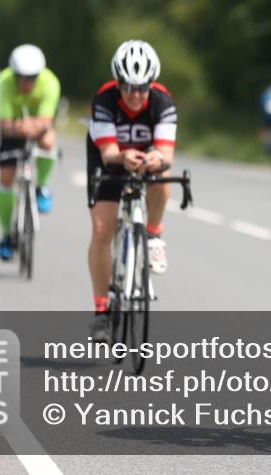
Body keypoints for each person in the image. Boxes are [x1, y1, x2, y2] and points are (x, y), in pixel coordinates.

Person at [86, 40, 177, 343]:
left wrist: (155, 158)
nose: (135, 95)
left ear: (152, 84)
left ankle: (152, 235)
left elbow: (166, 153)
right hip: (109, 160)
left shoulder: (163, 101)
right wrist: (121, 158)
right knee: (102, 230)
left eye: (142, 87)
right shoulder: (104, 100)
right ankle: (101, 312)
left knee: (163, 172)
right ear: (118, 83)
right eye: (128, 87)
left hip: (144, 160)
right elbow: (109, 152)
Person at [0, 45, 61, 261]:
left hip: (36, 126)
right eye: (21, 77)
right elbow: (4, 124)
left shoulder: (50, 83)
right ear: (14, 74)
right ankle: (6, 235)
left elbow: (46, 121)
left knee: (49, 142)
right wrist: (21, 127)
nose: (27, 82)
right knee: (6, 178)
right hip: (11, 129)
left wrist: (32, 127)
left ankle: (42, 187)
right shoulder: (2, 83)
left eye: (32, 77)